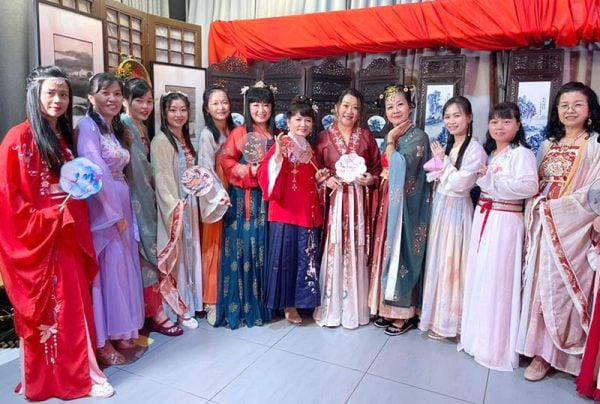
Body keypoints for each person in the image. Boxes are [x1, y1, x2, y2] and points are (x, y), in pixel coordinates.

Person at [0, 66, 114, 399]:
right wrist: (49, 217)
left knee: (73, 305)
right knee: (51, 309)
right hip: (40, 238)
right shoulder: (17, 139)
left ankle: (82, 372)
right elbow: (9, 200)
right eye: (51, 92)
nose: (58, 100)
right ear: (35, 94)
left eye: (63, 94)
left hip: (67, 234)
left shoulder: (63, 139)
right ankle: (49, 377)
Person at [517, 82, 600, 381]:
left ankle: (549, 355)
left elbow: (595, 190)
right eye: (564, 105)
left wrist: (558, 210)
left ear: (590, 110)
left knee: (560, 287)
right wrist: (538, 206)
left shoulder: (595, 145)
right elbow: (534, 182)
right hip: (541, 224)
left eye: (577, 104)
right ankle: (531, 345)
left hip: (571, 229)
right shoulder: (547, 145)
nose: (570, 110)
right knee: (537, 284)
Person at [459, 102, 538, 371]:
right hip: (485, 216)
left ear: (518, 125)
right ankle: (475, 338)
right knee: (481, 275)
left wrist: (491, 181)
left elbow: (529, 187)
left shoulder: (521, 154)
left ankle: (494, 347)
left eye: (506, 121)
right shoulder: (491, 154)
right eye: (494, 121)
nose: (499, 126)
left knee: (498, 280)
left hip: (505, 221)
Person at [77, 72, 144, 366]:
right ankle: (102, 340)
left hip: (121, 200)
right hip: (103, 207)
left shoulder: (111, 128)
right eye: (105, 93)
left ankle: (120, 329)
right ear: (91, 97)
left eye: (117, 94)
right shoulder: (87, 127)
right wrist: (113, 214)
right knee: (106, 270)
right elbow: (95, 171)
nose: (113, 99)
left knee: (121, 267)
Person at [313, 88, 382, 329]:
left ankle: (355, 307)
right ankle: (331, 307)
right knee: (334, 245)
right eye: (345, 105)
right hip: (334, 200)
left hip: (358, 200)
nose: (349, 111)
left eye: (355, 107)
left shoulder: (366, 137)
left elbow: (377, 168)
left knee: (356, 245)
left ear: (360, 112)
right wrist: (324, 180)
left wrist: (371, 179)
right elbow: (315, 169)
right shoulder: (323, 137)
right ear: (336, 107)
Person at [418, 96, 486, 340]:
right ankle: (435, 316)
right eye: (447, 116)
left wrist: (444, 165)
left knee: (452, 260)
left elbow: (461, 184)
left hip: (457, 209)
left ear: (469, 118)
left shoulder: (475, 149)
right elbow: (431, 173)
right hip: (441, 206)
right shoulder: (448, 146)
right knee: (439, 258)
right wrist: (441, 165)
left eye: (457, 115)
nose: (451, 121)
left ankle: (451, 323)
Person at [257, 96, 328, 324]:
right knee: (287, 258)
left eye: (307, 120)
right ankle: (288, 305)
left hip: (306, 210)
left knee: (304, 257)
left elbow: (308, 180)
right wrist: (278, 155)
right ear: (288, 121)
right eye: (298, 119)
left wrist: (318, 179)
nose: (303, 124)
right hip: (286, 211)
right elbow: (266, 174)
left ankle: (303, 302)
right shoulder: (283, 144)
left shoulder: (310, 149)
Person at [366, 84, 431, 336]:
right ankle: (385, 307)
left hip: (406, 207)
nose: (395, 110)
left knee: (401, 252)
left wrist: (391, 142)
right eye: (390, 107)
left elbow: (400, 167)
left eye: (400, 105)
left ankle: (403, 313)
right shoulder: (392, 135)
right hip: (388, 203)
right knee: (385, 251)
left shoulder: (418, 137)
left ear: (411, 107)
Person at [122, 78, 183, 337]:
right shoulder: (125, 127)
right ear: (126, 101)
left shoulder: (140, 127)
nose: (145, 106)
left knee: (148, 256)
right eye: (139, 100)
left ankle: (150, 313)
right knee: (146, 257)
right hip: (136, 200)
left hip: (146, 197)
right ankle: (155, 314)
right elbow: (137, 170)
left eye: (149, 101)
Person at [216, 82, 276, 329]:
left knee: (264, 249)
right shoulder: (240, 132)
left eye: (266, 105)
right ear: (248, 107)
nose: (261, 110)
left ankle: (265, 305)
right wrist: (249, 170)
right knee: (245, 249)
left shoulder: (277, 135)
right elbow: (226, 161)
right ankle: (243, 306)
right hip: (244, 201)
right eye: (255, 104)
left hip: (268, 200)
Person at [151, 91, 203, 330]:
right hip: (176, 208)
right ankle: (180, 309)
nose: (178, 114)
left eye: (183, 110)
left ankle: (193, 302)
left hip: (190, 204)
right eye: (173, 110)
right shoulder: (161, 141)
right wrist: (175, 206)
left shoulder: (184, 138)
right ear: (164, 112)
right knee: (179, 259)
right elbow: (161, 179)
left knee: (191, 255)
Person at [197, 86, 234, 325]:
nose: (221, 107)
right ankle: (211, 301)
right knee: (214, 244)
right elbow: (205, 170)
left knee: (230, 244)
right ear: (207, 108)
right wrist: (219, 194)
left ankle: (228, 293)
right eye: (215, 103)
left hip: (235, 188)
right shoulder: (207, 135)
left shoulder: (234, 129)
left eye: (224, 102)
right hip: (217, 193)